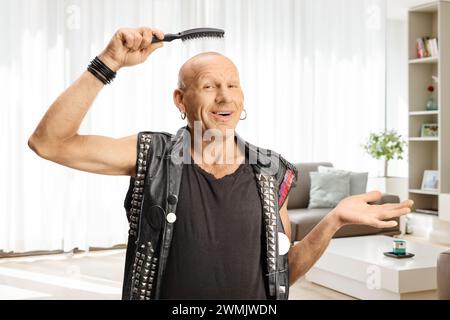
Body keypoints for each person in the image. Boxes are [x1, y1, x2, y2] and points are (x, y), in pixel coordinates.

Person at [28, 27, 414, 300]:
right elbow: (49, 143)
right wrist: (109, 61)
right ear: (180, 100)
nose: (224, 98)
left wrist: (334, 220)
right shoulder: (152, 154)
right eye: (210, 86)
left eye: (233, 86)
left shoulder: (271, 171)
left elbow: (284, 273)